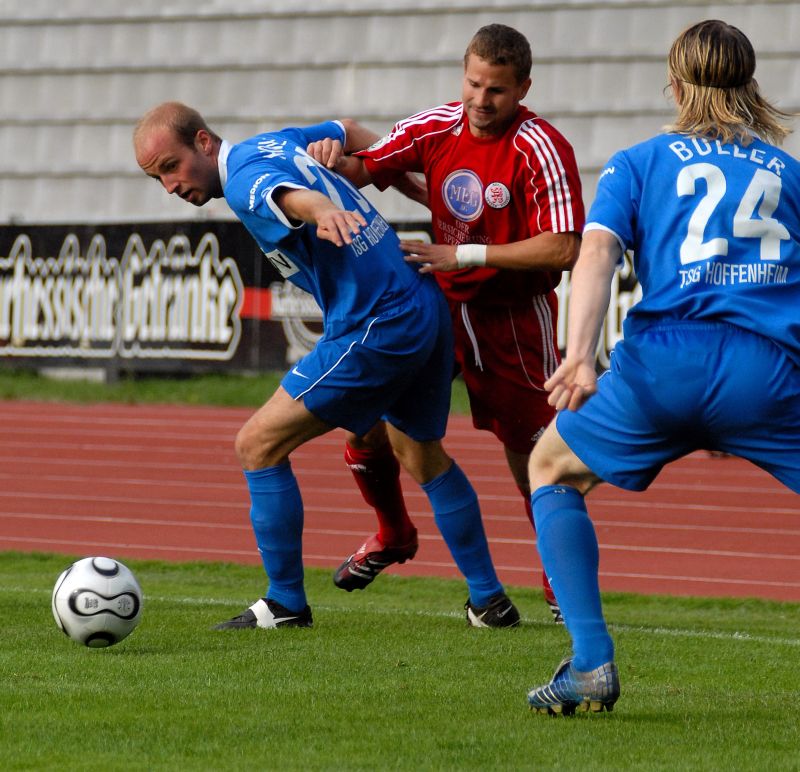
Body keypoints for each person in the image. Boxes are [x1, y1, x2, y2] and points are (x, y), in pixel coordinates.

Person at [133, 102, 520, 630]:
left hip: (378, 322)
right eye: (157, 177)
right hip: (422, 303)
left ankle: (285, 602)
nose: (170, 186)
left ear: (203, 143)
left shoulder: (245, 174)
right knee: (420, 453)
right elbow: (350, 131)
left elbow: (288, 197)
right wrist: (409, 189)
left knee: (257, 444)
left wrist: (321, 210)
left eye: (170, 167)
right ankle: (489, 600)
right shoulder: (273, 141)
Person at [524, 19, 800, 715]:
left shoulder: (638, 161)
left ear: (674, 85)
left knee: (552, 468)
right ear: (749, 84)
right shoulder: (790, 174)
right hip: (766, 372)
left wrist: (581, 356)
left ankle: (590, 664)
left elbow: (595, 256)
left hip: (662, 364)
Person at [307, 24, 584, 623]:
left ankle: (560, 579)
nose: (482, 101)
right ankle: (392, 532)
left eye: (498, 91)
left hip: (513, 317)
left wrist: (463, 254)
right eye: (473, 85)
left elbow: (564, 248)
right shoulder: (439, 125)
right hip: (436, 307)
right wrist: (330, 156)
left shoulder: (542, 147)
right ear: (464, 75)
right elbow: (364, 166)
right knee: (366, 420)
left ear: (524, 89)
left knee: (532, 451)